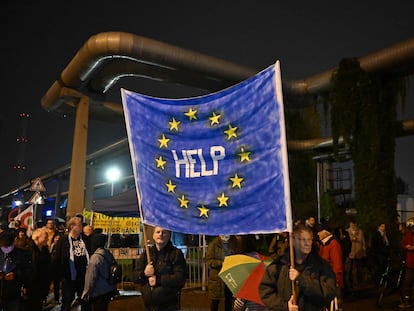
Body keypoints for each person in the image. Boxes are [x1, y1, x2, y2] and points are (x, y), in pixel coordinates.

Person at [259, 224, 337, 311]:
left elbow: (329, 292)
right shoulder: (279, 266)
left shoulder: (320, 265)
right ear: (293, 240)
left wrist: (301, 280)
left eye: (309, 239)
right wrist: (285, 307)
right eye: (302, 239)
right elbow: (266, 292)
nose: (307, 243)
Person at [133, 226, 186, 311]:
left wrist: (159, 280)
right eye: (158, 232)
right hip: (148, 306)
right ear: (153, 235)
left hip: (168, 306)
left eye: (164, 232)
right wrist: (144, 274)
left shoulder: (175, 254)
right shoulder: (146, 254)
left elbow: (180, 278)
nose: (160, 234)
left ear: (169, 235)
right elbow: (135, 277)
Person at [55, 216, 90, 311]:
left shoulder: (85, 239)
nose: (81, 227)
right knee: (67, 300)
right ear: (72, 226)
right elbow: (58, 258)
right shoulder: (64, 240)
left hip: (83, 276)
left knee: (85, 300)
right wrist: (60, 275)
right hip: (69, 276)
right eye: (79, 225)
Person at [81, 233, 118, 311]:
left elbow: (90, 277)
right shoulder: (107, 253)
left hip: (98, 291)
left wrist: (86, 292)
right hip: (109, 288)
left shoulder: (95, 258)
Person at [0, 229, 34, 311]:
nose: (6, 249)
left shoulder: (23, 255)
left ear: (14, 242)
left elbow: (30, 273)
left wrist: (16, 275)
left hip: (14, 294)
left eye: (8, 246)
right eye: (4, 247)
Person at [206, 235, 239, 311]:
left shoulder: (234, 242)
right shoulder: (214, 244)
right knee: (215, 301)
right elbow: (209, 260)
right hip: (217, 277)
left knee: (229, 300)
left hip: (229, 275)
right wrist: (221, 263)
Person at [316, 225, 343, 305]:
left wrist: (337, 279)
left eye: (320, 232)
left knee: (336, 303)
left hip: (332, 278)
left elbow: (337, 263)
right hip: (326, 278)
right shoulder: (322, 244)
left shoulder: (333, 244)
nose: (318, 234)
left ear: (325, 233)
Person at [26, 227, 52, 311]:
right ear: (37, 238)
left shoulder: (45, 250)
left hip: (42, 284)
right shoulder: (28, 250)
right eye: (45, 237)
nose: (47, 239)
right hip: (31, 286)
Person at [345, 220, 366, 290]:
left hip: (359, 252)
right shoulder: (347, 231)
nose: (353, 226)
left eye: (354, 224)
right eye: (352, 224)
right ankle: (350, 284)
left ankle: (360, 283)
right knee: (349, 269)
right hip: (350, 252)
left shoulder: (360, 231)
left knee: (359, 269)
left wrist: (364, 250)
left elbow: (363, 241)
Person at [399, 217, 414, 308]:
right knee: (407, 282)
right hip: (410, 263)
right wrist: (406, 246)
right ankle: (406, 301)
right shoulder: (407, 234)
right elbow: (403, 243)